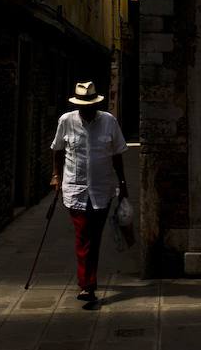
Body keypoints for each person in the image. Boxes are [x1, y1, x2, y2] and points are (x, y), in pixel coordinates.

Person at [50, 81, 128, 302]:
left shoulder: (109, 122)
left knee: (94, 237)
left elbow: (118, 155)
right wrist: (56, 176)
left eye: (90, 105)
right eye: (83, 106)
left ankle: (88, 279)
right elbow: (57, 150)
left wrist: (123, 187)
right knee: (83, 236)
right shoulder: (67, 121)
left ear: (96, 104)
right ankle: (87, 285)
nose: (87, 109)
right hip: (76, 189)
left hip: (102, 190)